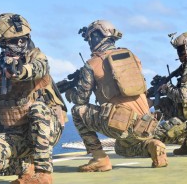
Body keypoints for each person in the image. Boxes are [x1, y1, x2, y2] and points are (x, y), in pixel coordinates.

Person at [0, 13, 67, 184]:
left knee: (38, 109)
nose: (19, 44)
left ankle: (43, 174)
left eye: (22, 40)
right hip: (16, 135)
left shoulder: (37, 57)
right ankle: (25, 170)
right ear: (1, 43)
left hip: (47, 130)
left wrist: (18, 72)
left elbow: (39, 68)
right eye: (13, 41)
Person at [64, 20, 168, 172]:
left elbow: (81, 99)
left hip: (121, 123)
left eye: (90, 38)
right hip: (146, 124)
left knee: (77, 110)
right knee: (121, 149)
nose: (89, 43)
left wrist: (69, 93)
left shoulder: (92, 64)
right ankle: (152, 146)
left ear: (96, 37)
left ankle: (99, 158)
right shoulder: (132, 58)